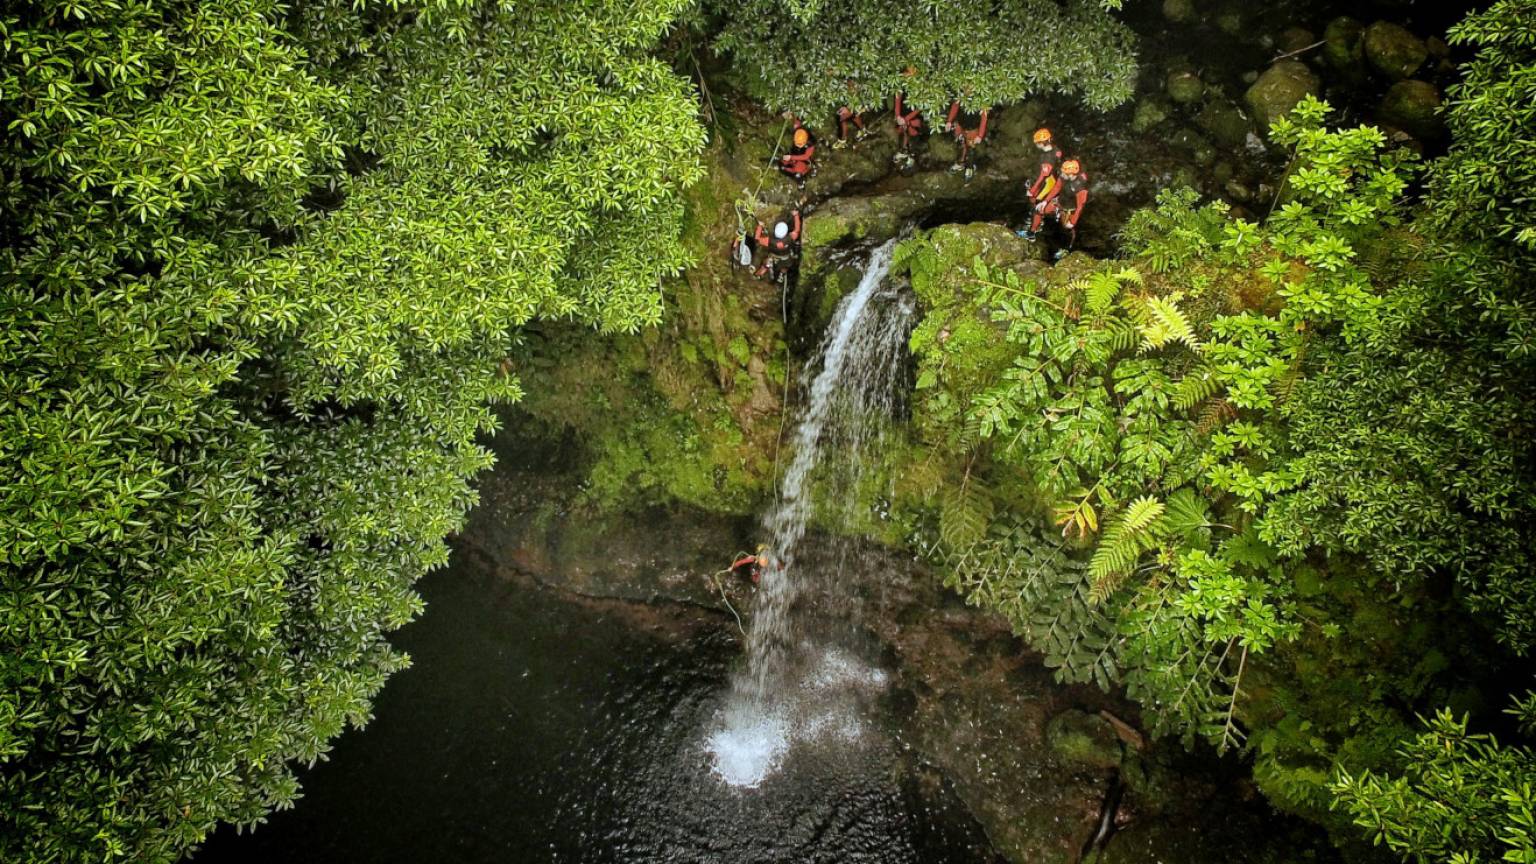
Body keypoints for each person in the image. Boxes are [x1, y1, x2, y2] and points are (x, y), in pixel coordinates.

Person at [1020, 158, 1089, 242]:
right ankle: (1032, 233)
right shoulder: (1063, 177)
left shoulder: (1080, 187)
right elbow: (1057, 188)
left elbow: (1080, 206)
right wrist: (1045, 201)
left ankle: (1070, 245)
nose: (1061, 173)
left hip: (1069, 209)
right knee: (1038, 210)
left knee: (1067, 228)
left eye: (1064, 172)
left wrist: (1073, 221)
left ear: (1071, 174)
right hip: (1058, 202)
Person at [943, 101, 990, 179]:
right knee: (961, 144)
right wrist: (949, 121)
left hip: (972, 128)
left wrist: (980, 135)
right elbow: (955, 106)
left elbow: (984, 117)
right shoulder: (961, 97)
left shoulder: (980, 101)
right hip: (961, 125)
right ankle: (961, 162)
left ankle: (970, 167)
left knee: (971, 147)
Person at [753, 209, 803, 281]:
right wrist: (796, 215)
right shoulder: (791, 237)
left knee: (766, 264)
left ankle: (759, 274)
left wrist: (760, 227)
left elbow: (757, 239)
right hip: (786, 258)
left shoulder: (769, 241)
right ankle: (782, 275)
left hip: (773, 257)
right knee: (785, 267)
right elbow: (797, 229)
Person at [892, 93, 924, 167]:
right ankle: (905, 151)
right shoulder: (905, 129)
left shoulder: (911, 129)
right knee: (907, 131)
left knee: (910, 131)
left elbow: (920, 107)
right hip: (907, 118)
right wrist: (899, 117)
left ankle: (905, 151)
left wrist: (904, 119)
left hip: (911, 119)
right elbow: (898, 96)